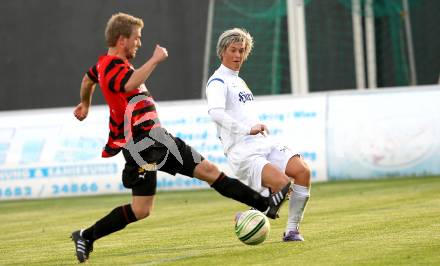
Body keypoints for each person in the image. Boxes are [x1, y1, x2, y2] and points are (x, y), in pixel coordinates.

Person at [71, 13, 290, 263]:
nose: (139, 44)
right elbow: (129, 84)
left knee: (209, 171)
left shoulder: (103, 66)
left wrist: (84, 104)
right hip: (140, 146)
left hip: (158, 139)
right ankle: (87, 236)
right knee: (141, 210)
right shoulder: (111, 67)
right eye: (136, 38)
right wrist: (154, 60)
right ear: (122, 40)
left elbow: (89, 79)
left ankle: (264, 204)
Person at [205, 28, 312, 242]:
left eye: (242, 51)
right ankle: (251, 214)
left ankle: (291, 230)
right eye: (233, 50)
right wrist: (247, 129)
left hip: (261, 142)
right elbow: (215, 113)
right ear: (222, 52)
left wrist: (255, 126)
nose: (238, 55)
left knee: (302, 171)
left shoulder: (239, 81)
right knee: (282, 185)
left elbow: (242, 113)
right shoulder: (217, 82)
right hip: (242, 150)